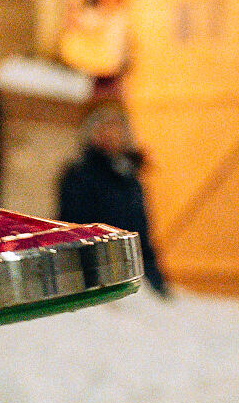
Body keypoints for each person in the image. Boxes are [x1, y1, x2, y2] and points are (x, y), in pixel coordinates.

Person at [58, 102, 168, 295]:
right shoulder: (79, 175)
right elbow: (74, 229)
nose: (110, 134)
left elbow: (142, 236)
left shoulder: (130, 178)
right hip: (96, 278)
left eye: (116, 127)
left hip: (132, 276)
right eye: (104, 126)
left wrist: (156, 281)